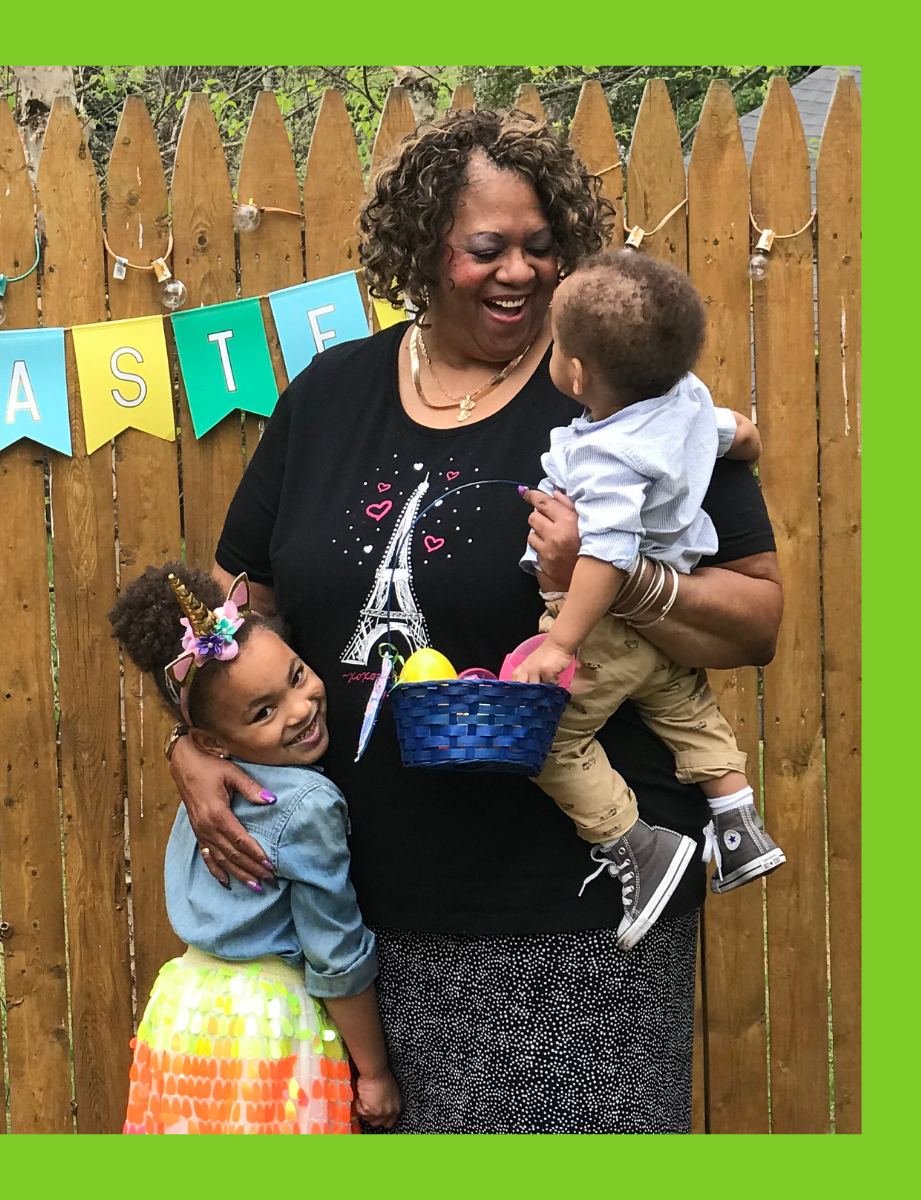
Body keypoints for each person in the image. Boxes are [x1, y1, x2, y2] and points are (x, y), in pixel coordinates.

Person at [169, 107, 783, 1133]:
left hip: (583, 921)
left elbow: (757, 618)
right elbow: (240, 612)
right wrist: (189, 741)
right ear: (420, 249)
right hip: (355, 929)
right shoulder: (329, 396)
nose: (521, 273)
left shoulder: (628, 396)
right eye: (486, 249)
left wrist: (617, 582)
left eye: (542, 247)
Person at [510, 251, 786, 950]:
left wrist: (563, 642)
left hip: (605, 629)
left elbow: (606, 551)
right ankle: (736, 820)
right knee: (682, 704)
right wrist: (744, 442)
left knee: (544, 741)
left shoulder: (608, 453)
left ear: (575, 373)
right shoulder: (685, 399)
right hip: (665, 627)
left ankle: (637, 844)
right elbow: (741, 435)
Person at [110, 562, 399, 1133]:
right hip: (267, 1031)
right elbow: (334, 950)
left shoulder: (209, 789)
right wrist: (374, 1072)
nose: (300, 709)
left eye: (296, 677)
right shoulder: (308, 803)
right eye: (264, 712)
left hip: (182, 1016)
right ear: (212, 741)